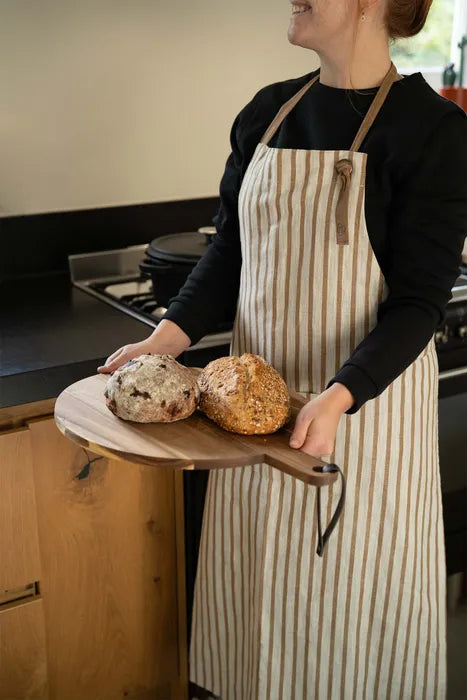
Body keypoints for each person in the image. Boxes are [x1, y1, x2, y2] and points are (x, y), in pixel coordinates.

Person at [99, 1, 467, 697]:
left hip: (362, 418)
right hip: (245, 417)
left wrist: (335, 396)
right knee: (257, 599)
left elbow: (418, 304)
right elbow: (228, 254)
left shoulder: (433, 133)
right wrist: (166, 339)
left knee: (353, 612)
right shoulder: (268, 112)